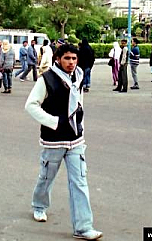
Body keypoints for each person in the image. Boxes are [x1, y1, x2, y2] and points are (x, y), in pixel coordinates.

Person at [24, 44, 103, 240]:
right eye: (67, 58)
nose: (71, 62)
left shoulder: (78, 76)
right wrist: (53, 122)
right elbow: (31, 105)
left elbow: (79, 103)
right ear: (58, 58)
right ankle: (39, 205)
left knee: (80, 182)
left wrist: (81, 124)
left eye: (74, 59)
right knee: (47, 177)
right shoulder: (47, 79)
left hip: (75, 139)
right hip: (54, 139)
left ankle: (83, 227)